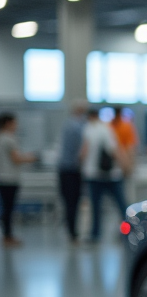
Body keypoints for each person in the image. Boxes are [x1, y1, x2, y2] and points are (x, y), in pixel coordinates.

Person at [79, 107, 126, 243]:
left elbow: (83, 152)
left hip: (93, 175)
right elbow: (113, 150)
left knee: (96, 207)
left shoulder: (88, 129)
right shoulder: (106, 129)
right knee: (121, 205)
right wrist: (124, 166)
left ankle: (95, 235)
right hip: (111, 175)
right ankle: (128, 231)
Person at [0, 113, 39, 248]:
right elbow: (16, 159)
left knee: (6, 208)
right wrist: (32, 158)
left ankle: (7, 235)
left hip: (3, 177)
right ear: (8, 123)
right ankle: (8, 236)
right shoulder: (9, 139)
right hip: (10, 178)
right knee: (8, 209)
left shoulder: (2, 138)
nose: (17, 126)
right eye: (14, 123)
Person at [58, 101, 88, 242]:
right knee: (73, 202)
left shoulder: (66, 125)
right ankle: (72, 233)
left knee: (68, 202)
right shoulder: (78, 127)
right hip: (73, 170)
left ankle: (70, 230)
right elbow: (81, 151)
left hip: (63, 169)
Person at [110, 106, 139, 179]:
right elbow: (130, 147)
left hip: (118, 158)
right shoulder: (125, 126)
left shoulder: (111, 125)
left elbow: (130, 146)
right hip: (117, 158)